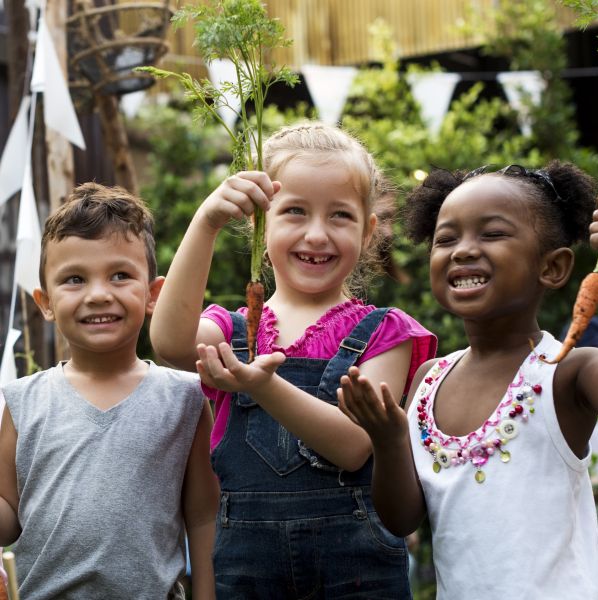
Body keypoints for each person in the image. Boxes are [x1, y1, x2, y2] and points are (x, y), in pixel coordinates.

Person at [150, 122, 437, 599]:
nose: (317, 234)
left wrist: (263, 386)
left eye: (340, 216)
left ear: (367, 233)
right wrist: (206, 223)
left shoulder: (386, 332)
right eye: (295, 212)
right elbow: (170, 342)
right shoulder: (235, 329)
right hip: (247, 571)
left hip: (356, 573)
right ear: (261, 225)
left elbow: (352, 445)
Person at [338, 161, 598, 599]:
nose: (462, 250)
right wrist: (386, 438)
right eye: (446, 239)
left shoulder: (568, 371)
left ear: (552, 268)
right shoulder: (428, 378)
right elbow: (401, 519)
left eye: (492, 234)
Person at [0, 183, 220, 599]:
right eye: (75, 280)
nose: (99, 295)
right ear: (45, 302)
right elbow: (8, 515)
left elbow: (203, 518)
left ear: (153, 294)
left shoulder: (186, 399)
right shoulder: (23, 401)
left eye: (120, 275)